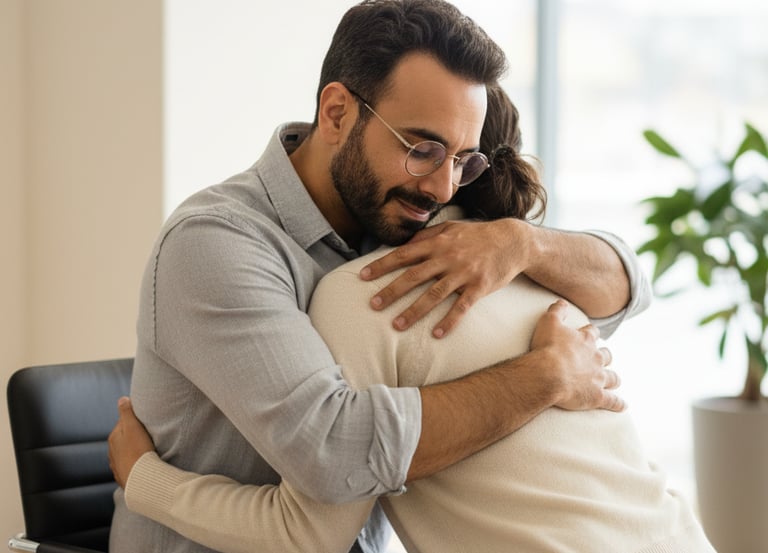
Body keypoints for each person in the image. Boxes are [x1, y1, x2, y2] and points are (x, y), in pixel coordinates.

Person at [109, 2, 649, 552]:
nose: (442, 188)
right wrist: (546, 376)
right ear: (337, 114)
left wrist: (524, 242)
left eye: (463, 160)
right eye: (421, 149)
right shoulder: (215, 243)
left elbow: (624, 295)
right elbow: (331, 451)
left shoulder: (404, 220)